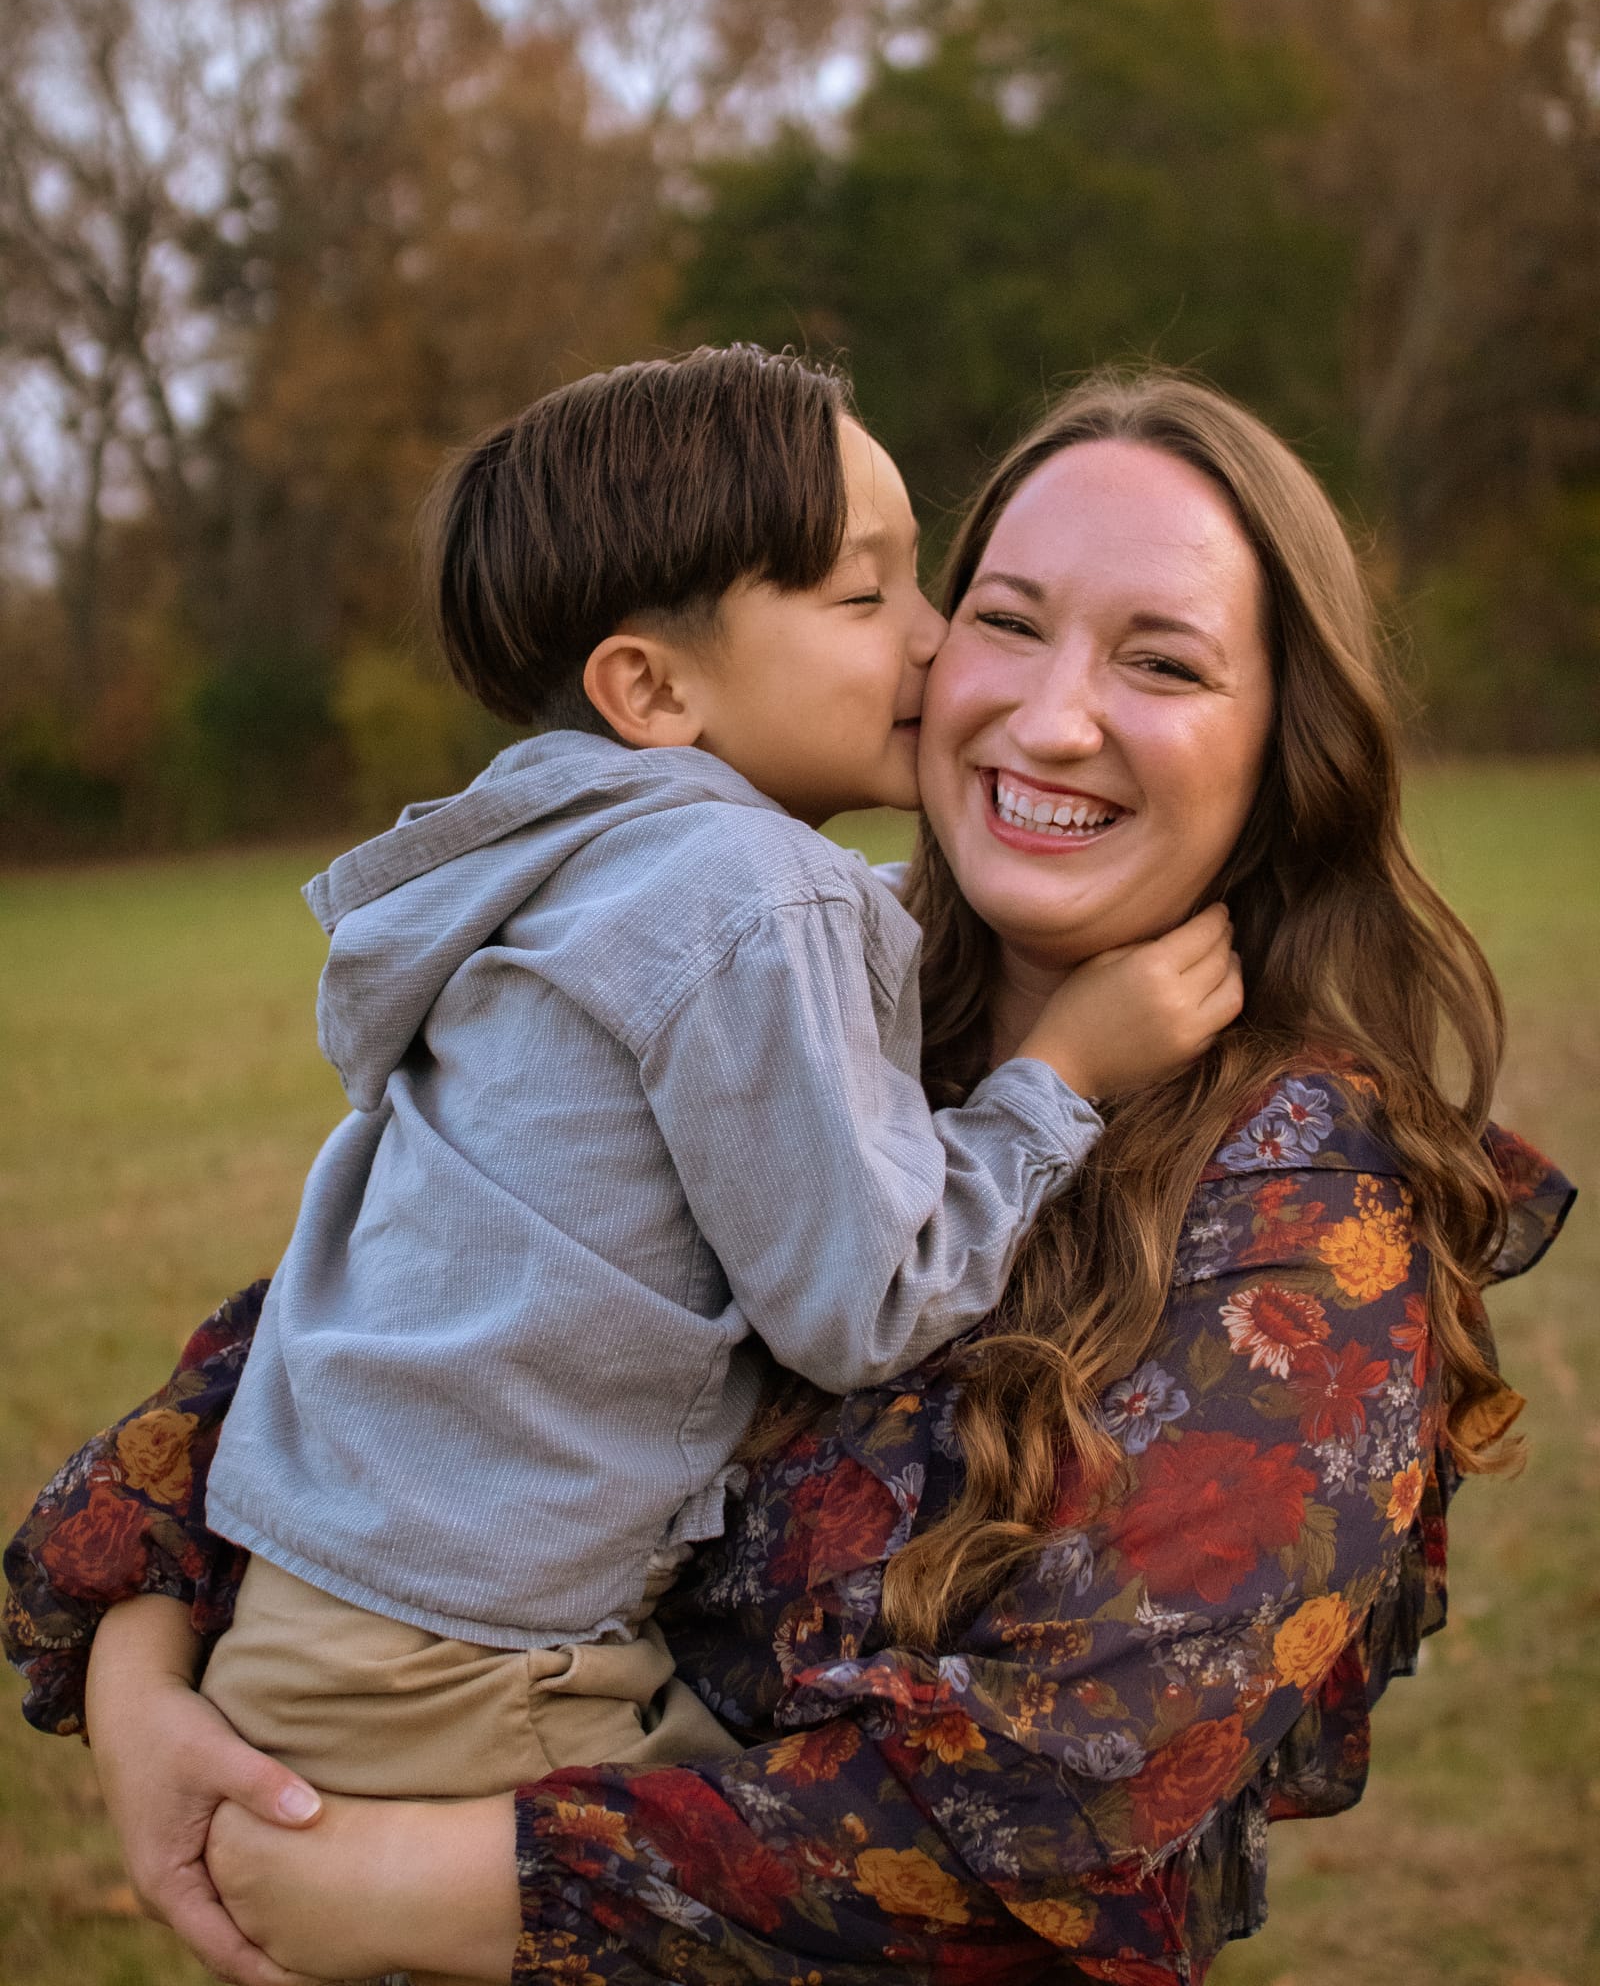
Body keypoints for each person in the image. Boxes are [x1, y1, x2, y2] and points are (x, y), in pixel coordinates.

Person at [4, 370, 1573, 1986]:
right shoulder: (795, 967)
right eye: (1006, 620)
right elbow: (369, 1315)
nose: (1047, 714)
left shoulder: (1308, 1236)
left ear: (1283, 742)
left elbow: (1033, 1818)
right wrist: (143, 1686)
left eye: (1163, 661)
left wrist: (384, 1884)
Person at [147, 345, 1241, 1828]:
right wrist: (1060, 1074)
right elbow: (865, 1302)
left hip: (323, 1618)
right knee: (841, 1871)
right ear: (651, 686)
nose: (936, 643)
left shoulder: (568, 863)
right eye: (870, 597)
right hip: (467, 1673)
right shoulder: (751, 897)